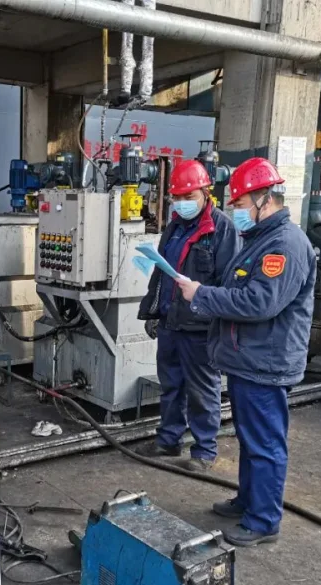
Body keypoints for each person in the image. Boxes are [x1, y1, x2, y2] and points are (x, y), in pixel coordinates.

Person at [175, 157, 316, 547]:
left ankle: (263, 520)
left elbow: (259, 303)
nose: (234, 210)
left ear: (264, 199)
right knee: (252, 439)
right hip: (248, 359)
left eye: (239, 204)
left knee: (265, 444)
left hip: (265, 363)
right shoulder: (260, 240)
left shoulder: (284, 245)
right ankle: (249, 501)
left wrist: (202, 295)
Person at [138, 159, 239, 471]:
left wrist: (218, 322)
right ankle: (169, 440)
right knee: (171, 385)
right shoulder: (174, 227)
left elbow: (228, 283)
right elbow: (161, 273)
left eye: (189, 197)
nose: (182, 203)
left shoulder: (222, 229)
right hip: (170, 321)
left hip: (200, 327)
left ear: (206, 193)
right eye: (177, 198)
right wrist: (154, 311)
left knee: (202, 390)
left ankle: (204, 451)